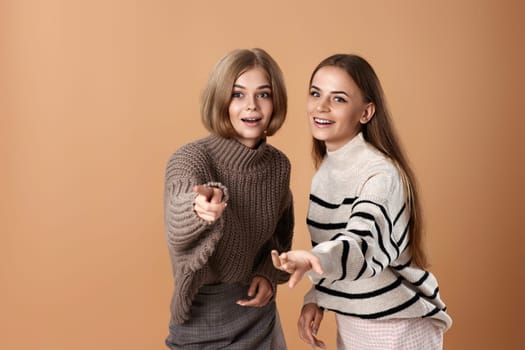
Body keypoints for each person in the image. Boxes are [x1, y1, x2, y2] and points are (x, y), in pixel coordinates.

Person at [271, 54, 452, 350]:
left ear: (365, 113)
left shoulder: (380, 174)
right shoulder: (327, 172)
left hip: (398, 326)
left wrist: (316, 260)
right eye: (316, 93)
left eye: (338, 99)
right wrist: (317, 296)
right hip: (356, 321)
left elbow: (361, 244)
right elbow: (336, 247)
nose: (321, 106)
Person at [164, 48, 294, 349]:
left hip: (257, 315)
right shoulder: (191, 158)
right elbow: (177, 216)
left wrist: (266, 271)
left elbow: (279, 235)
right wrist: (200, 208)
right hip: (201, 319)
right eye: (238, 94)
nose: (252, 106)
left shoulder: (278, 166)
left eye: (263, 94)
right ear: (221, 100)